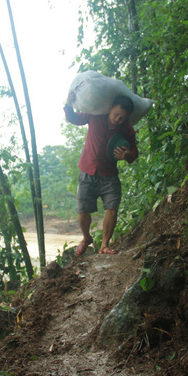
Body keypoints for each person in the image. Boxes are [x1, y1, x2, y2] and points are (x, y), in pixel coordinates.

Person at [64, 91, 139, 256]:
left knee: (112, 209)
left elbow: (134, 153)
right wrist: (68, 105)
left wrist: (126, 156)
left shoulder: (126, 129)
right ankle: (86, 238)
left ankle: (104, 245)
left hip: (109, 175)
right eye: (116, 114)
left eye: (122, 117)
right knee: (83, 210)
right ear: (111, 108)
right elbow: (74, 119)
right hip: (87, 171)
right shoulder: (95, 115)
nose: (117, 119)